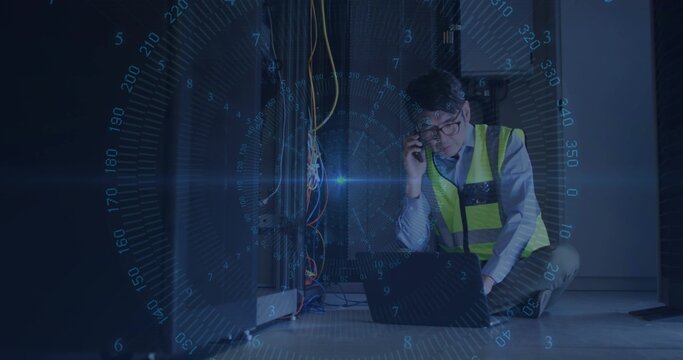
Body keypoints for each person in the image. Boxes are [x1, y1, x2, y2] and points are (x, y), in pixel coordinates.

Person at [396, 69, 580, 318]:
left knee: (562, 258)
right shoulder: (422, 160)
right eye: (429, 129)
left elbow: (522, 217)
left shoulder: (505, 144)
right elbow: (413, 244)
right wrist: (413, 180)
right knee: (400, 266)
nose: (442, 138)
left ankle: (459, 307)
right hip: (459, 271)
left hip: (513, 267)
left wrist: (489, 278)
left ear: (467, 112)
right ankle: (514, 304)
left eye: (450, 124)